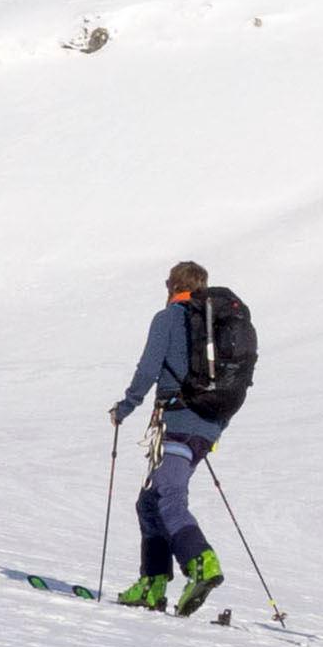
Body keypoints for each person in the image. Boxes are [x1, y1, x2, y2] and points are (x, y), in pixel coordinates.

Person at [105, 260, 231, 615]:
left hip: (179, 421)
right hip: (209, 423)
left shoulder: (169, 318)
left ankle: (202, 564)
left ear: (172, 287)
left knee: (169, 498)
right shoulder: (215, 324)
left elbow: (148, 368)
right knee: (149, 501)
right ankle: (153, 582)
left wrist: (126, 407)